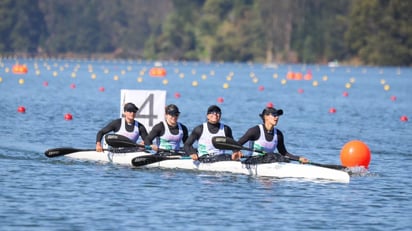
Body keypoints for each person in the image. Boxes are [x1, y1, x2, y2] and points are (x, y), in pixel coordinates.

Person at [232, 107, 309, 164]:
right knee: (272, 156)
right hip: (253, 161)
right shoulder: (255, 131)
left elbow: (284, 153)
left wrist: (299, 158)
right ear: (266, 117)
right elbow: (237, 144)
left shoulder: (278, 134)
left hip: (269, 161)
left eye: (278, 115)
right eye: (274, 115)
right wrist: (236, 151)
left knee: (280, 157)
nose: (277, 117)